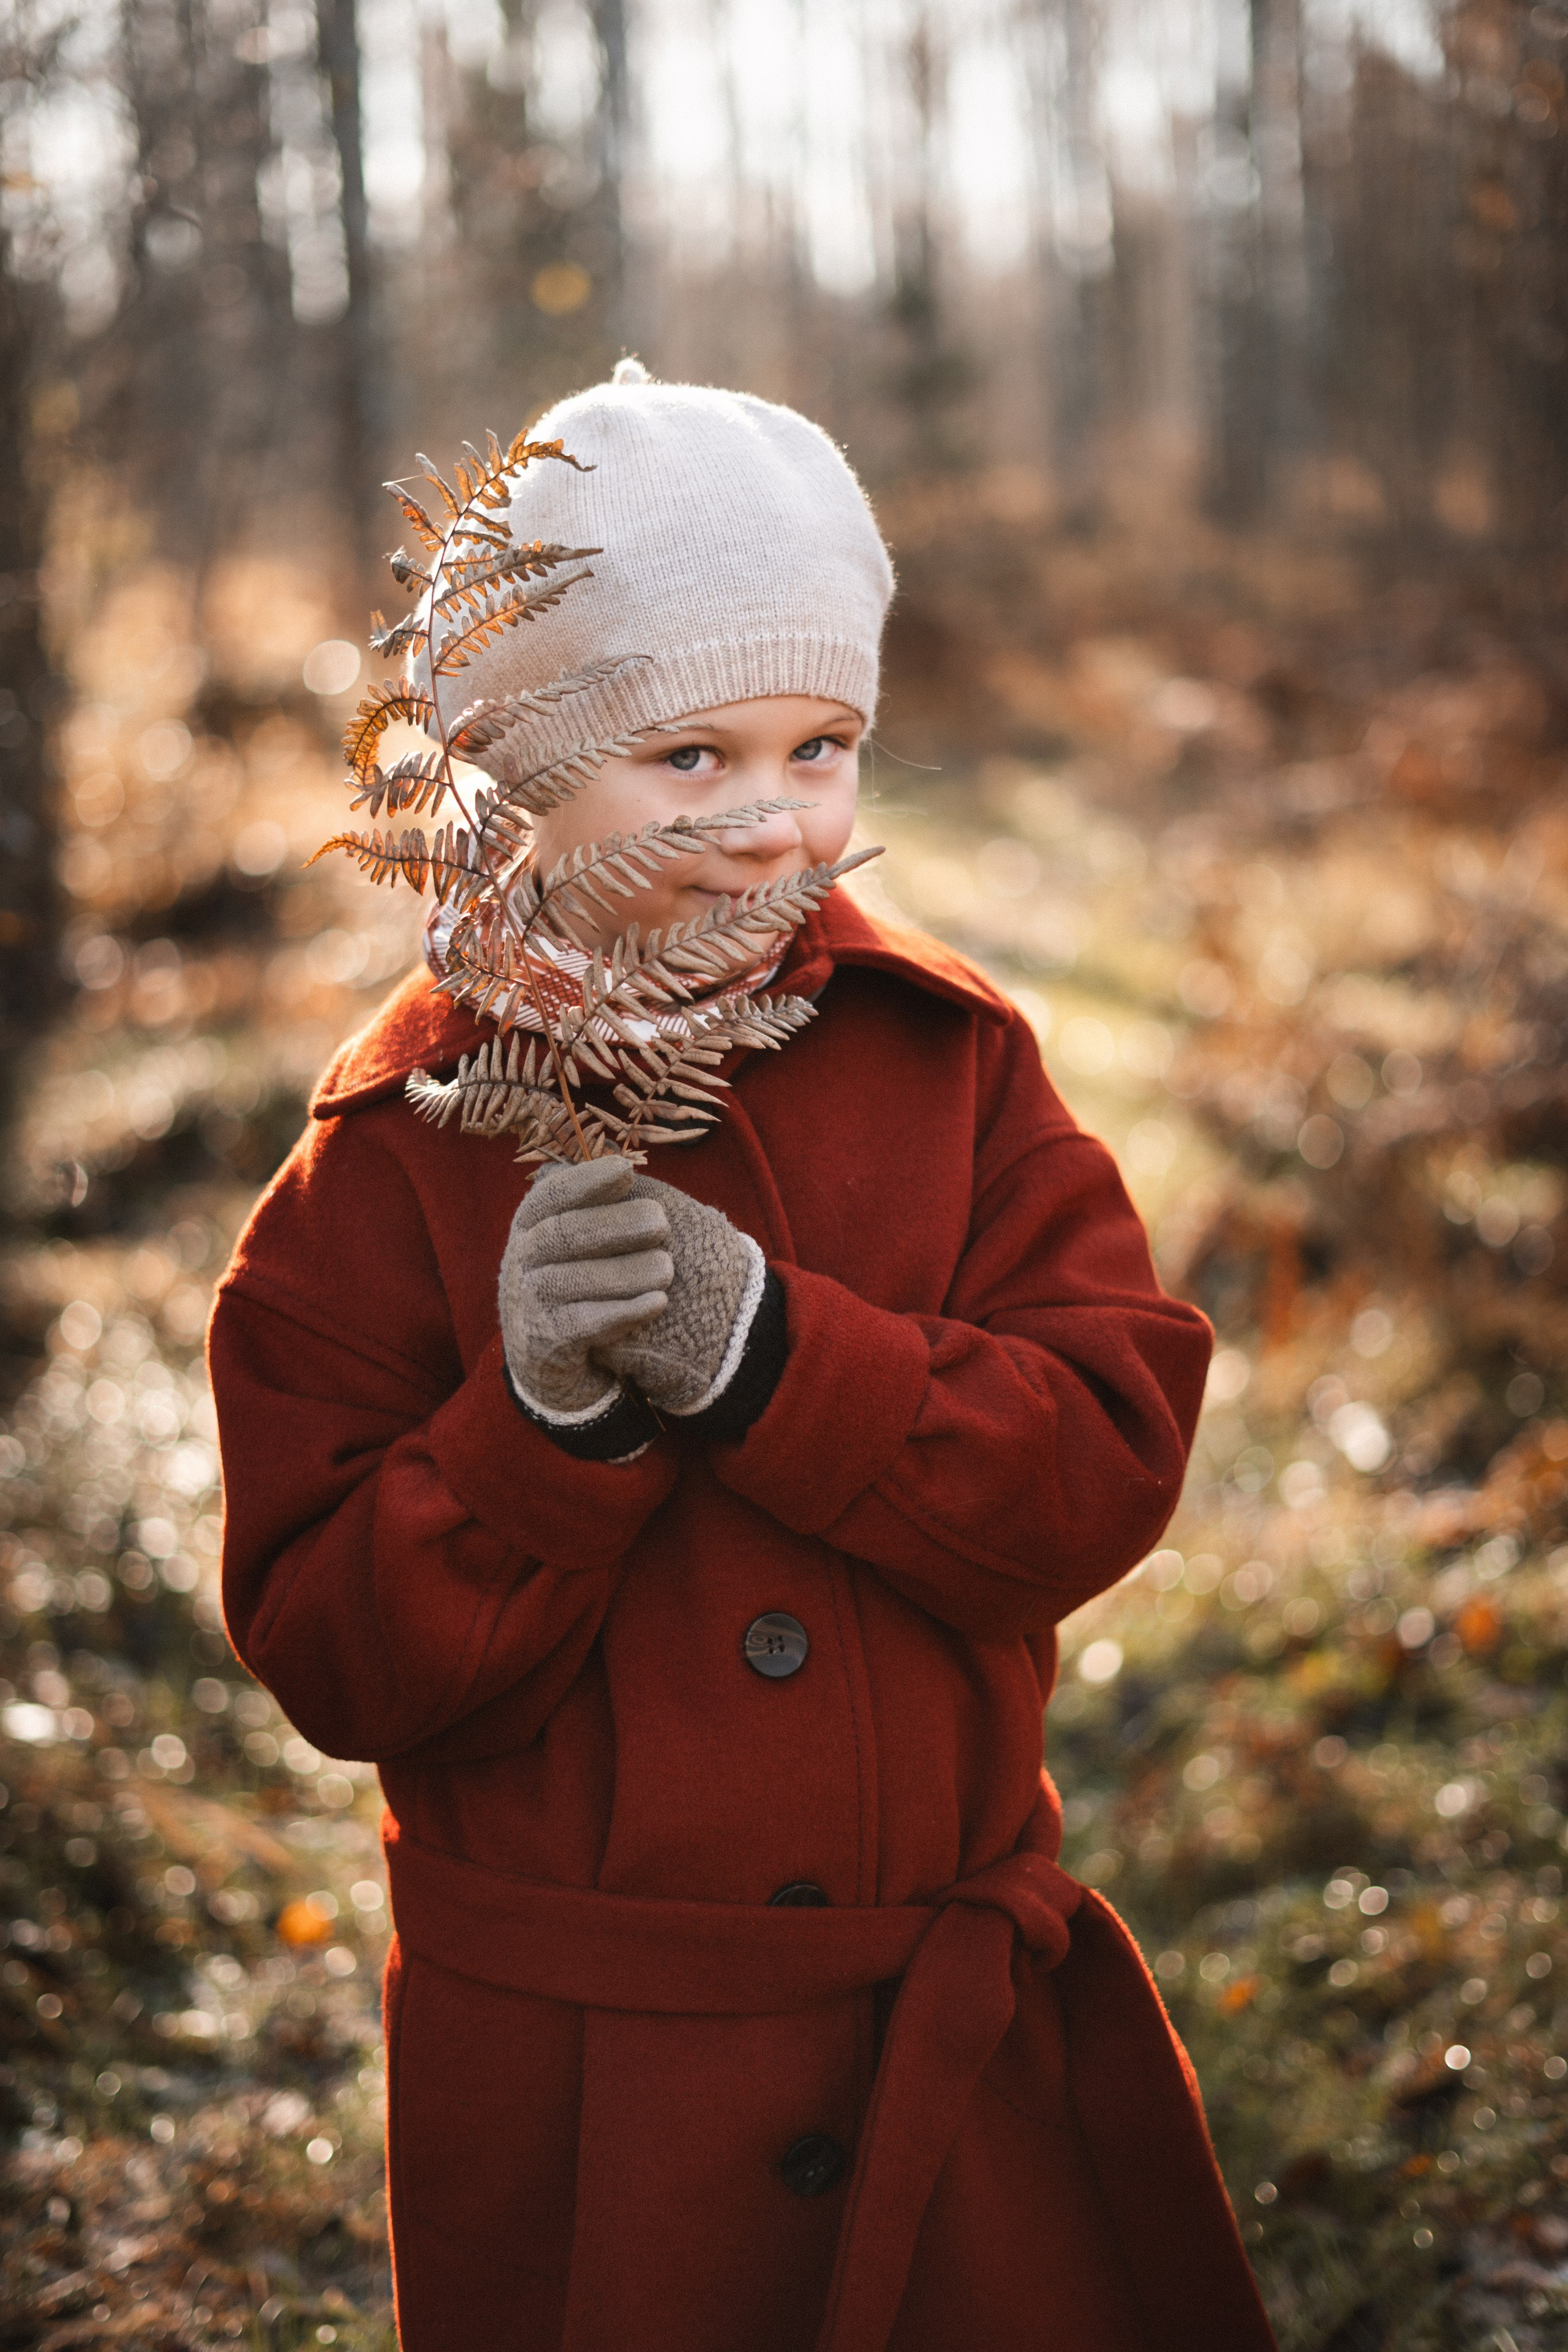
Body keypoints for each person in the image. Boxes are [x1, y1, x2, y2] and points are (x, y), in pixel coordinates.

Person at [209, 366, 1277, 2352]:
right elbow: (335, 1653)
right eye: (687, 753)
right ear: (515, 763)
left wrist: (777, 1356)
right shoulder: (391, 1153)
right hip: (588, 2109)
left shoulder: (956, 1068)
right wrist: (533, 1431)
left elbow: (1103, 1458)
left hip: (931, 2054)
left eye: (823, 746)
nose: (771, 816)